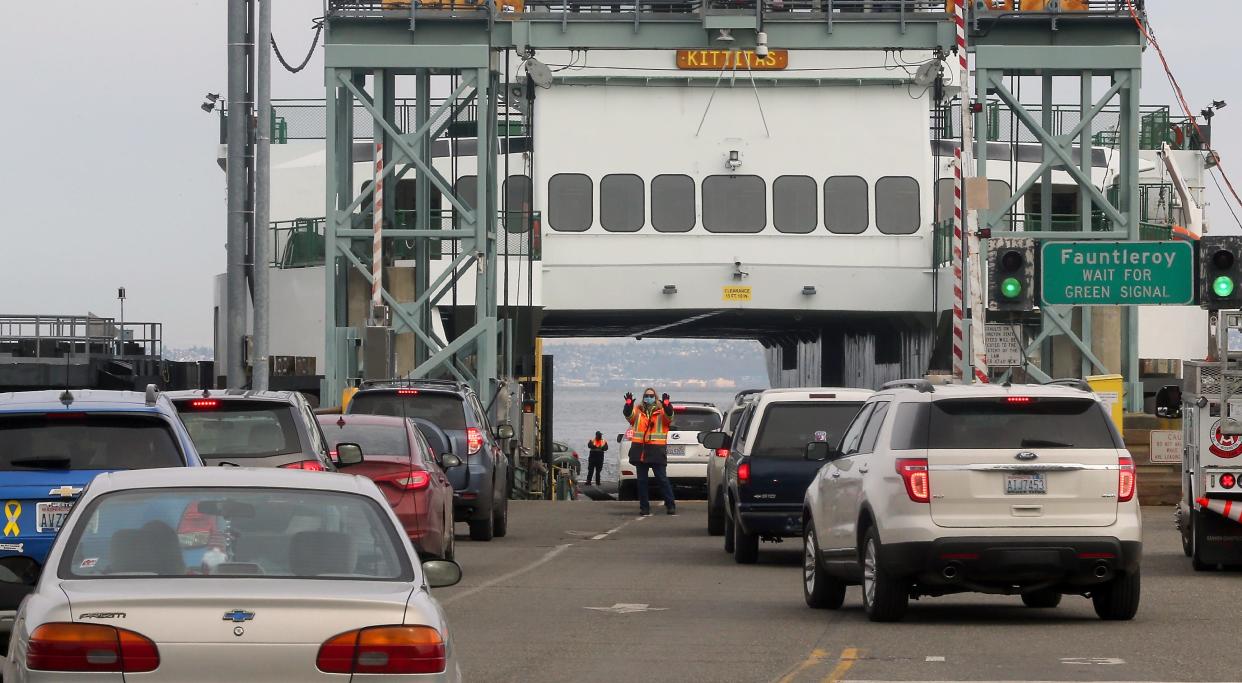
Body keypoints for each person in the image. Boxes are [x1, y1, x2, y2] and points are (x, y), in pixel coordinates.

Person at [622, 388, 676, 516]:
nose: (648, 397)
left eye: (651, 395)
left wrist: (668, 405)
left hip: (656, 451)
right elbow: (628, 415)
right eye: (646, 395)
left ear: (655, 397)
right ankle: (644, 507)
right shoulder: (638, 411)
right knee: (642, 482)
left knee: (662, 480)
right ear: (643, 397)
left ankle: (670, 505)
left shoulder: (662, 412)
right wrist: (628, 405)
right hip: (641, 451)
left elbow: (670, 417)